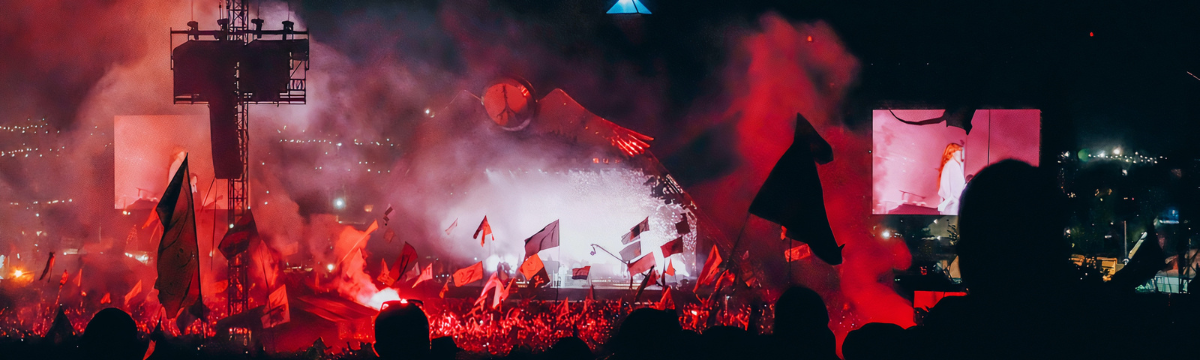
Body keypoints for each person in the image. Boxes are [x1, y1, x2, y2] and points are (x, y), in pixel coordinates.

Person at [936, 143, 966, 215]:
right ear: (952, 153)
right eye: (960, 153)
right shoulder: (953, 165)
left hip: (947, 208)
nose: (961, 156)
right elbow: (958, 190)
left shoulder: (947, 165)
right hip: (954, 209)